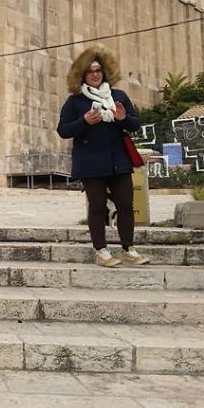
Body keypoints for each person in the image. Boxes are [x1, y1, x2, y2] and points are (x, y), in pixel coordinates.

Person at [57, 46, 150, 268]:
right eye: (90, 71)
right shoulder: (75, 101)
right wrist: (84, 122)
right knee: (98, 206)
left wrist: (123, 118)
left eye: (98, 70)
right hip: (91, 163)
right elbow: (63, 130)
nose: (95, 74)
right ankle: (101, 250)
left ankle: (129, 248)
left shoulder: (118, 96)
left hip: (119, 161)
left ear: (105, 72)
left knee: (126, 204)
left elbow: (135, 124)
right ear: (82, 75)